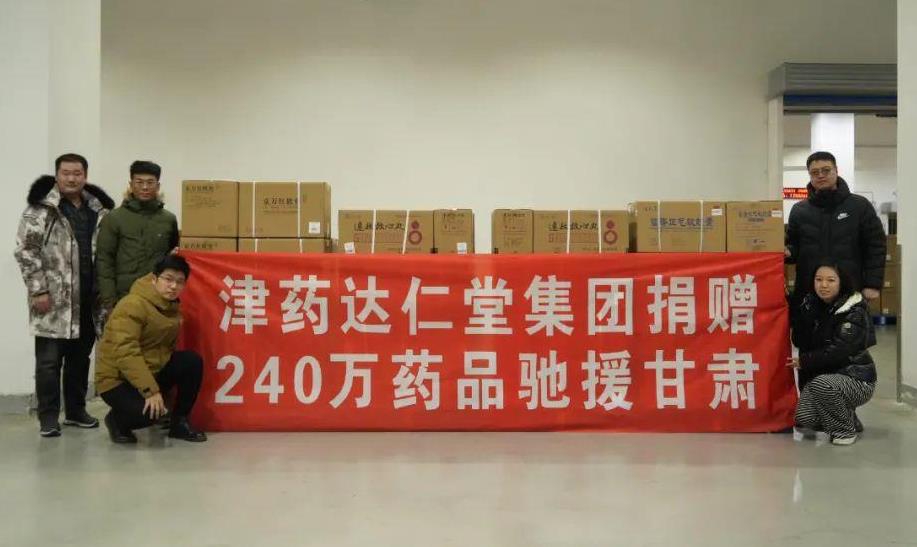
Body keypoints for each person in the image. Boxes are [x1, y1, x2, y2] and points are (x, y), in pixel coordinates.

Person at [14, 153, 114, 437]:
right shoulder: (41, 209)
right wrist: (38, 290)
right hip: (53, 300)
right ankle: (48, 417)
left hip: (88, 300)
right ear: (57, 175)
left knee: (80, 360)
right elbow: (26, 251)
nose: (72, 178)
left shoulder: (99, 210)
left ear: (85, 176)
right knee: (48, 362)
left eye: (77, 173)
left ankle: (75, 411)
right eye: (66, 173)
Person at [95, 255, 207, 444]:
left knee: (191, 362)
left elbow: (165, 352)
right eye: (168, 279)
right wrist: (151, 391)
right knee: (151, 415)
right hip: (117, 380)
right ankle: (116, 420)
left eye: (180, 282)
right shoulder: (132, 305)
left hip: (149, 371)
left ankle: (179, 423)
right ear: (154, 279)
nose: (173, 286)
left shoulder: (171, 307)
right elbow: (126, 352)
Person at [788, 262, 877, 445]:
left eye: (830, 280)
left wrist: (805, 361)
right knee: (804, 418)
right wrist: (804, 316)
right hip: (829, 376)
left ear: (841, 282)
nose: (824, 285)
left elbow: (839, 351)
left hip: (857, 379)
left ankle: (844, 432)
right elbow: (799, 341)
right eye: (818, 279)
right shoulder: (812, 304)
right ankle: (849, 418)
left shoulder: (854, 310)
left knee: (823, 385)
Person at [785, 151, 886, 307]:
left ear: (836, 170)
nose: (820, 175)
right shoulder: (799, 210)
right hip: (809, 290)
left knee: (849, 324)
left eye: (826, 170)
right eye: (815, 172)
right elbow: (794, 247)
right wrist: (787, 252)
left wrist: (872, 284)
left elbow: (876, 246)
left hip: (850, 289)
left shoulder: (859, 206)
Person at [96, 160, 178, 317]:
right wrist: (109, 301)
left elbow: (173, 257)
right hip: (124, 297)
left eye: (150, 182)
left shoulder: (168, 219)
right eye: (139, 182)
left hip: (158, 298)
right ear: (131, 184)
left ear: (158, 186)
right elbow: (104, 260)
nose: (145, 187)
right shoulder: (114, 218)